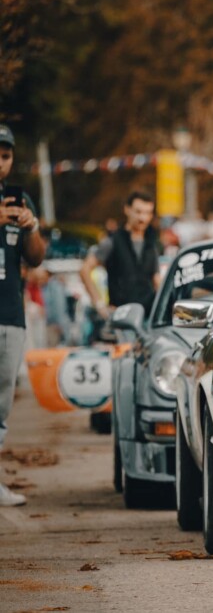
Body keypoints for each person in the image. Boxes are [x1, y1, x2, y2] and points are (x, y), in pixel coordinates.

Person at [0, 125, 47, 506]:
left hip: (10, 313)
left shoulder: (19, 198)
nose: (1, 162)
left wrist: (29, 227)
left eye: (6, 155)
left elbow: (35, 257)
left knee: (2, 401)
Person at [80, 191, 161, 319]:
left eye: (147, 213)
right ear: (127, 210)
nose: (142, 218)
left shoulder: (151, 243)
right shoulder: (113, 241)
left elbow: (156, 279)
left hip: (148, 315)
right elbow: (85, 269)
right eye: (138, 211)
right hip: (121, 315)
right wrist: (99, 304)